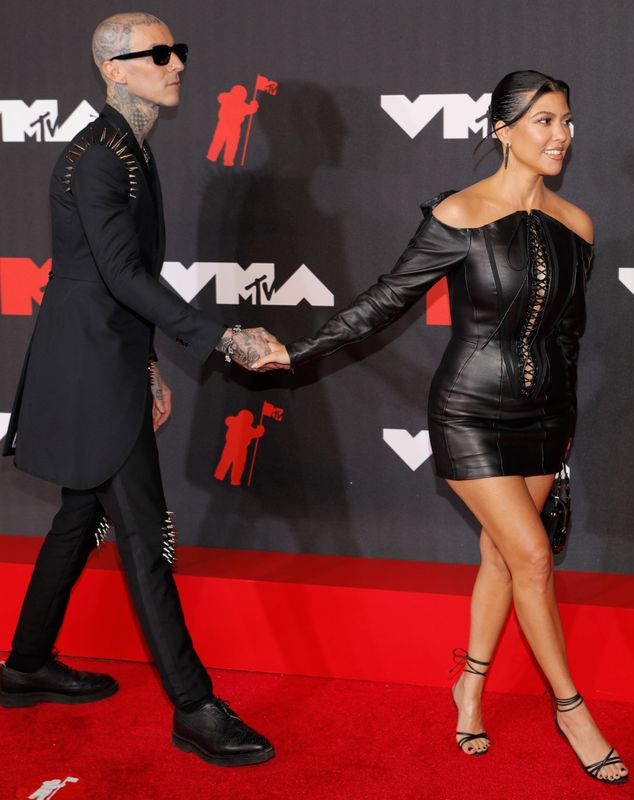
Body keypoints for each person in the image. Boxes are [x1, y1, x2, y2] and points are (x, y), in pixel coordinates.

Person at [251, 71, 629, 784]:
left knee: (499, 558)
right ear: (502, 131)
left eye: (567, 122)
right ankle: (571, 707)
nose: (560, 135)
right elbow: (383, 301)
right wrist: (296, 350)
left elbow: (570, 339)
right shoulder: (460, 213)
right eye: (544, 121)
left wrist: (567, 424)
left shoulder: (578, 225)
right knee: (535, 557)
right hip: (470, 413)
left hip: (547, 420)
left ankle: (470, 688)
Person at [0, 12, 279, 767]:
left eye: (177, 49)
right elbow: (121, 275)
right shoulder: (99, 157)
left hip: (105, 354)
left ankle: (25, 665)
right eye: (156, 54)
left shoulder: (128, 148)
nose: (176, 62)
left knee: (76, 519)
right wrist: (220, 340)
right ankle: (194, 708)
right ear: (114, 69)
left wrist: (150, 362)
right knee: (146, 536)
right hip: (89, 366)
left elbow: (118, 281)